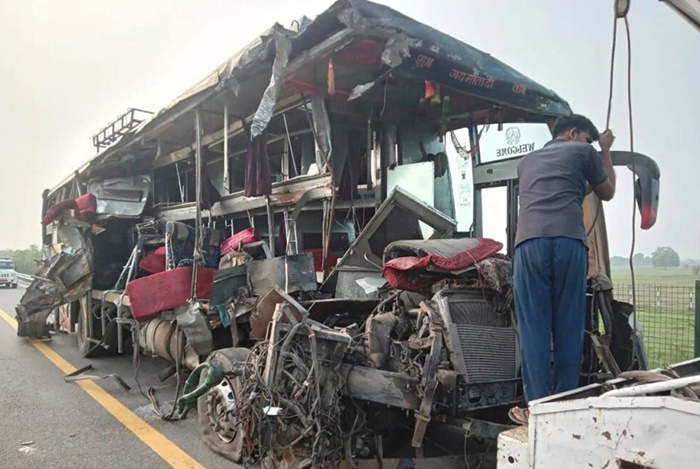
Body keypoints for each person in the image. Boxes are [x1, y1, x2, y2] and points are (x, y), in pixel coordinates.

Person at [508, 114, 616, 425]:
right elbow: (606, 192)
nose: (589, 145)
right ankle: (565, 407)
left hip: (527, 245)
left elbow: (568, 189)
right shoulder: (584, 153)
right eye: (587, 138)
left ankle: (537, 408)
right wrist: (605, 151)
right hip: (568, 243)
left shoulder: (525, 162)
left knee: (534, 331)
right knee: (568, 325)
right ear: (573, 133)